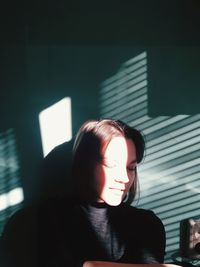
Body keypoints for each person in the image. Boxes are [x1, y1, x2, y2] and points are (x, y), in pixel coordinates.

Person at [1, 119, 166, 267]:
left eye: (130, 167)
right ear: (85, 164)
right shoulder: (32, 222)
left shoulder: (147, 224)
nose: (124, 178)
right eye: (111, 164)